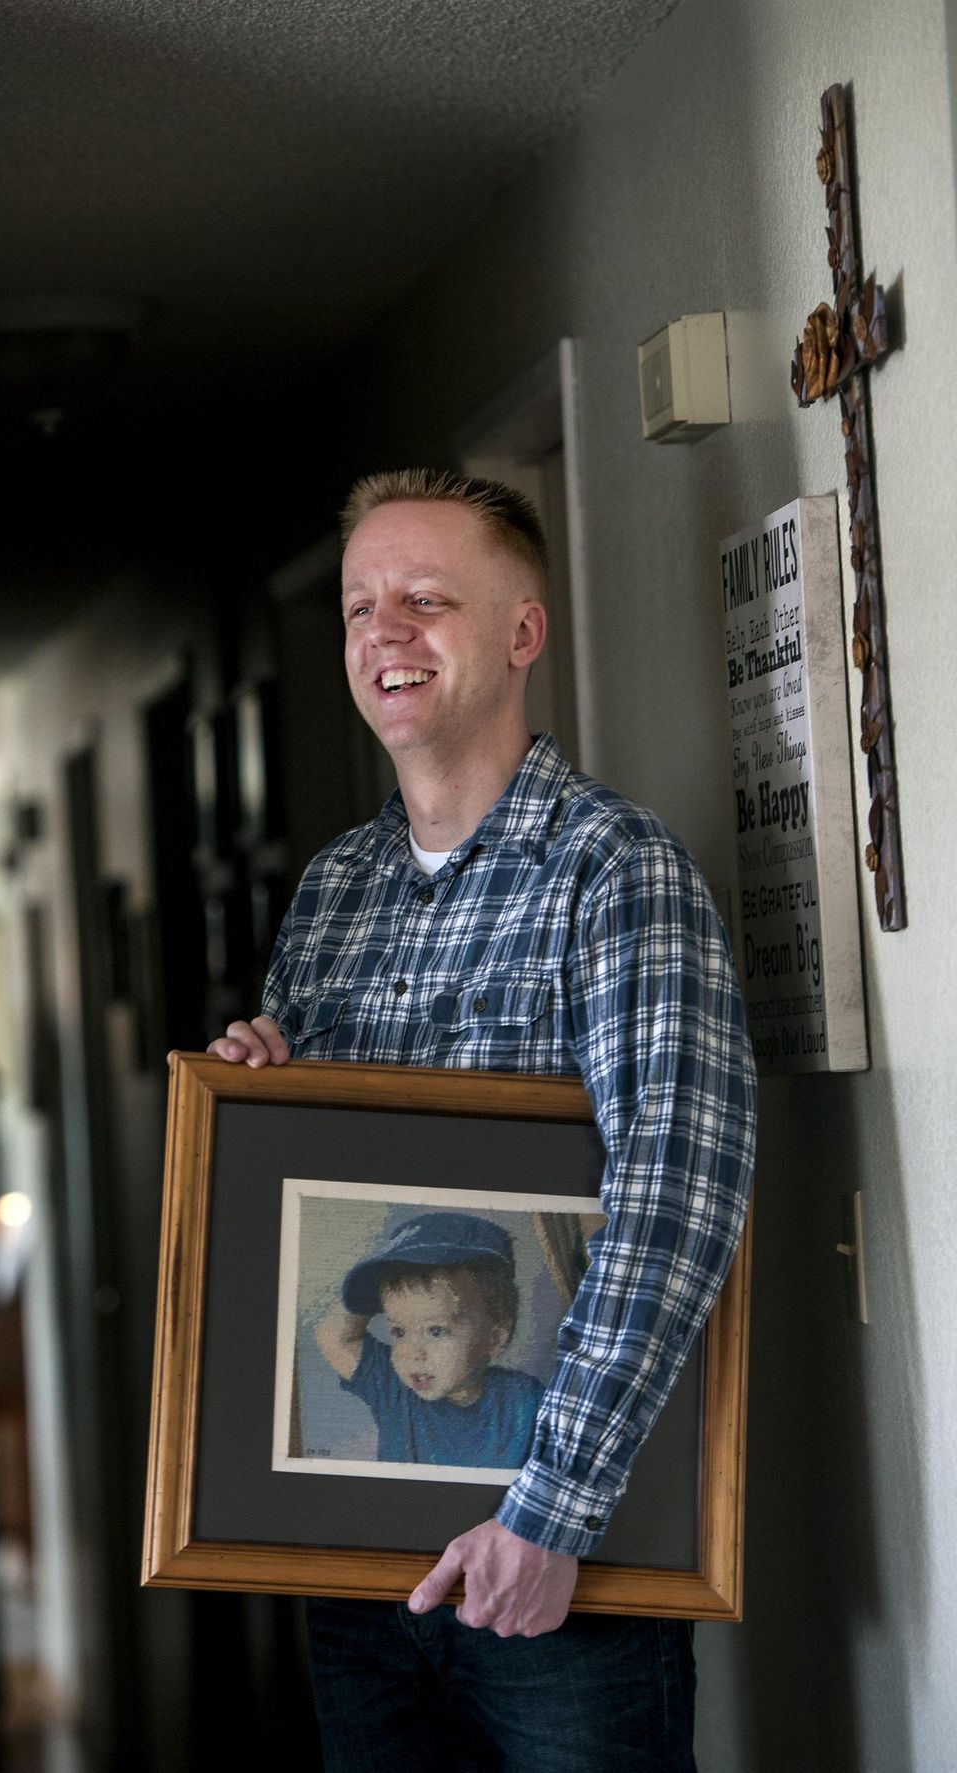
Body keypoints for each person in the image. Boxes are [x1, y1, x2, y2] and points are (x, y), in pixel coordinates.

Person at [209, 470, 757, 1771]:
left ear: (521, 633)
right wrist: (253, 1089)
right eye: (358, 606)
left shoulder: (619, 874)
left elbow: (675, 1206)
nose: (382, 631)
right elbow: (311, 1187)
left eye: (425, 599)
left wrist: (550, 1519)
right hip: (356, 1574)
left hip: (556, 1576)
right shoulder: (335, 892)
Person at [315, 1210, 543, 1468]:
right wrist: (378, 1288)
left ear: (496, 1337)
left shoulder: (525, 1400)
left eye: (435, 1331)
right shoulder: (393, 1389)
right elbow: (333, 1335)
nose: (412, 1353)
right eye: (399, 1332)